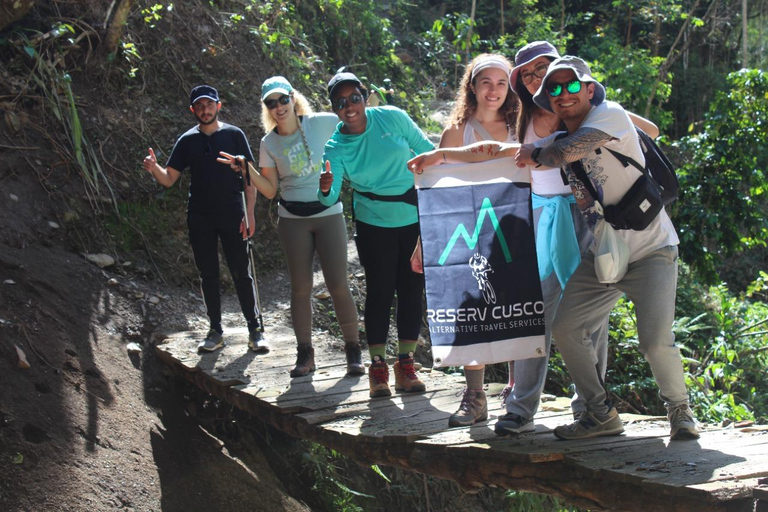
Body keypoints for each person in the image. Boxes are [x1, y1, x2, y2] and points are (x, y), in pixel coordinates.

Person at [514, 55, 699, 440]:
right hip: (604, 255)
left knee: (653, 341)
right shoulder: (557, 138)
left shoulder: (611, 114)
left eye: (570, 86)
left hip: (652, 250)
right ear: (547, 98)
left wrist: (538, 153)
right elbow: (519, 153)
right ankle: (600, 413)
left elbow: (563, 153)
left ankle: (679, 410)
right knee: (565, 327)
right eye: (554, 89)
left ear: (588, 89)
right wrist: (444, 156)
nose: (563, 94)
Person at [218, 76, 364, 378]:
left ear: (292, 98)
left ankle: (353, 351)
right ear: (266, 108)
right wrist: (248, 169)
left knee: (338, 284)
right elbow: (270, 190)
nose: (278, 107)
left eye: (282, 99)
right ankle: (305, 354)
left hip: (328, 213)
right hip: (293, 220)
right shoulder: (268, 143)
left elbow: (354, 119)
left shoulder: (320, 123)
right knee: (300, 288)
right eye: (271, 103)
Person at [416, 53, 520, 428]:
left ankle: (515, 392)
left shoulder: (521, 129)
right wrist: (422, 242)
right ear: (472, 87)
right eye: (485, 82)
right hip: (470, 234)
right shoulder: (456, 134)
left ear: (510, 89)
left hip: (514, 233)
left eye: (501, 83)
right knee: (471, 313)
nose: (493, 91)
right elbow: (438, 196)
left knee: (516, 307)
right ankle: (475, 396)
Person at [318, 71, 435, 398]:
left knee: (412, 290)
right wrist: (325, 187)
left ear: (365, 96)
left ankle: (406, 365)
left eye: (354, 98)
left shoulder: (393, 118)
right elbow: (328, 198)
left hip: (413, 217)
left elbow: (426, 152)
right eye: (340, 103)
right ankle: (378, 368)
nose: (349, 107)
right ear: (334, 108)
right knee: (380, 291)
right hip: (373, 224)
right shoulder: (336, 146)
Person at [142, 85, 268, 354]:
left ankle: (255, 330)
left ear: (218, 106)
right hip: (199, 215)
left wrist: (250, 213)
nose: (205, 109)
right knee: (207, 273)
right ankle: (215, 331)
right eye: (199, 106)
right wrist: (154, 169)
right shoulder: (187, 141)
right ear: (193, 110)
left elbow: (250, 178)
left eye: (209, 104)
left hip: (233, 212)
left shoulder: (235, 135)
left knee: (240, 272)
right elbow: (169, 179)